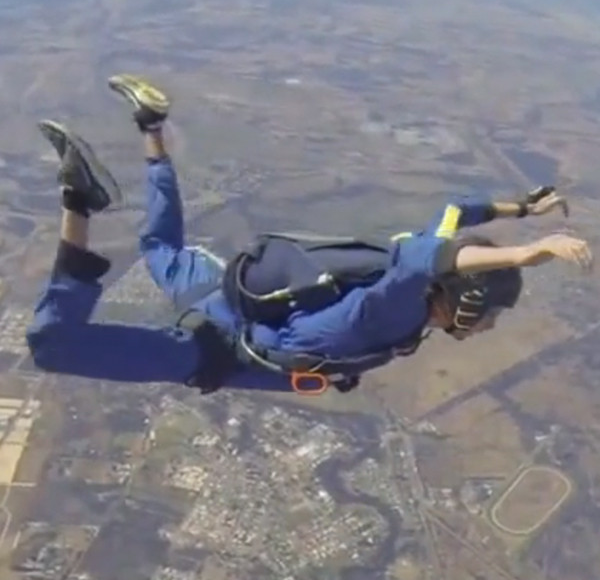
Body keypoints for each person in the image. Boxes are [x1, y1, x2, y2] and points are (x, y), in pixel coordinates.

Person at [26, 74, 593, 396]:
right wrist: (529, 249)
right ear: (464, 298)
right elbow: (428, 258)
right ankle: (79, 197)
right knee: (52, 347)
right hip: (208, 350)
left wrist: (522, 207)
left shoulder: (405, 302)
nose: (491, 325)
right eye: (490, 313)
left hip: (229, 295)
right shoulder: (392, 309)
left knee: (160, 250)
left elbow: (452, 214)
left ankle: (150, 129)